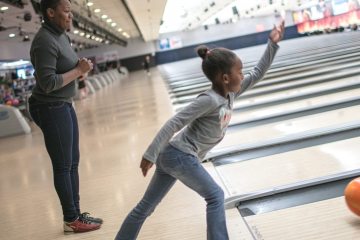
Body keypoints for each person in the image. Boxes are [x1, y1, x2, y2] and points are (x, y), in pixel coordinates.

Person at [114, 20, 285, 240]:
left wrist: (272, 43)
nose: (243, 76)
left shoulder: (231, 94)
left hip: (173, 155)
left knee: (146, 207)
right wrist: (150, 153)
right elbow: (174, 122)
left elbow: (259, 72)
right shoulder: (209, 100)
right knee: (215, 195)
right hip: (179, 155)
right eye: (239, 72)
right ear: (225, 78)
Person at [28, 0, 102, 233]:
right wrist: (78, 71)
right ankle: (70, 219)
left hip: (64, 104)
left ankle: (76, 214)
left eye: (71, 11)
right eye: (66, 11)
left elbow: (65, 70)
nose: (71, 16)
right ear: (50, 12)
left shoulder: (61, 36)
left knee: (73, 163)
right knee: (63, 166)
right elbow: (48, 83)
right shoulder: (44, 41)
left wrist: (79, 73)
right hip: (50, 107)